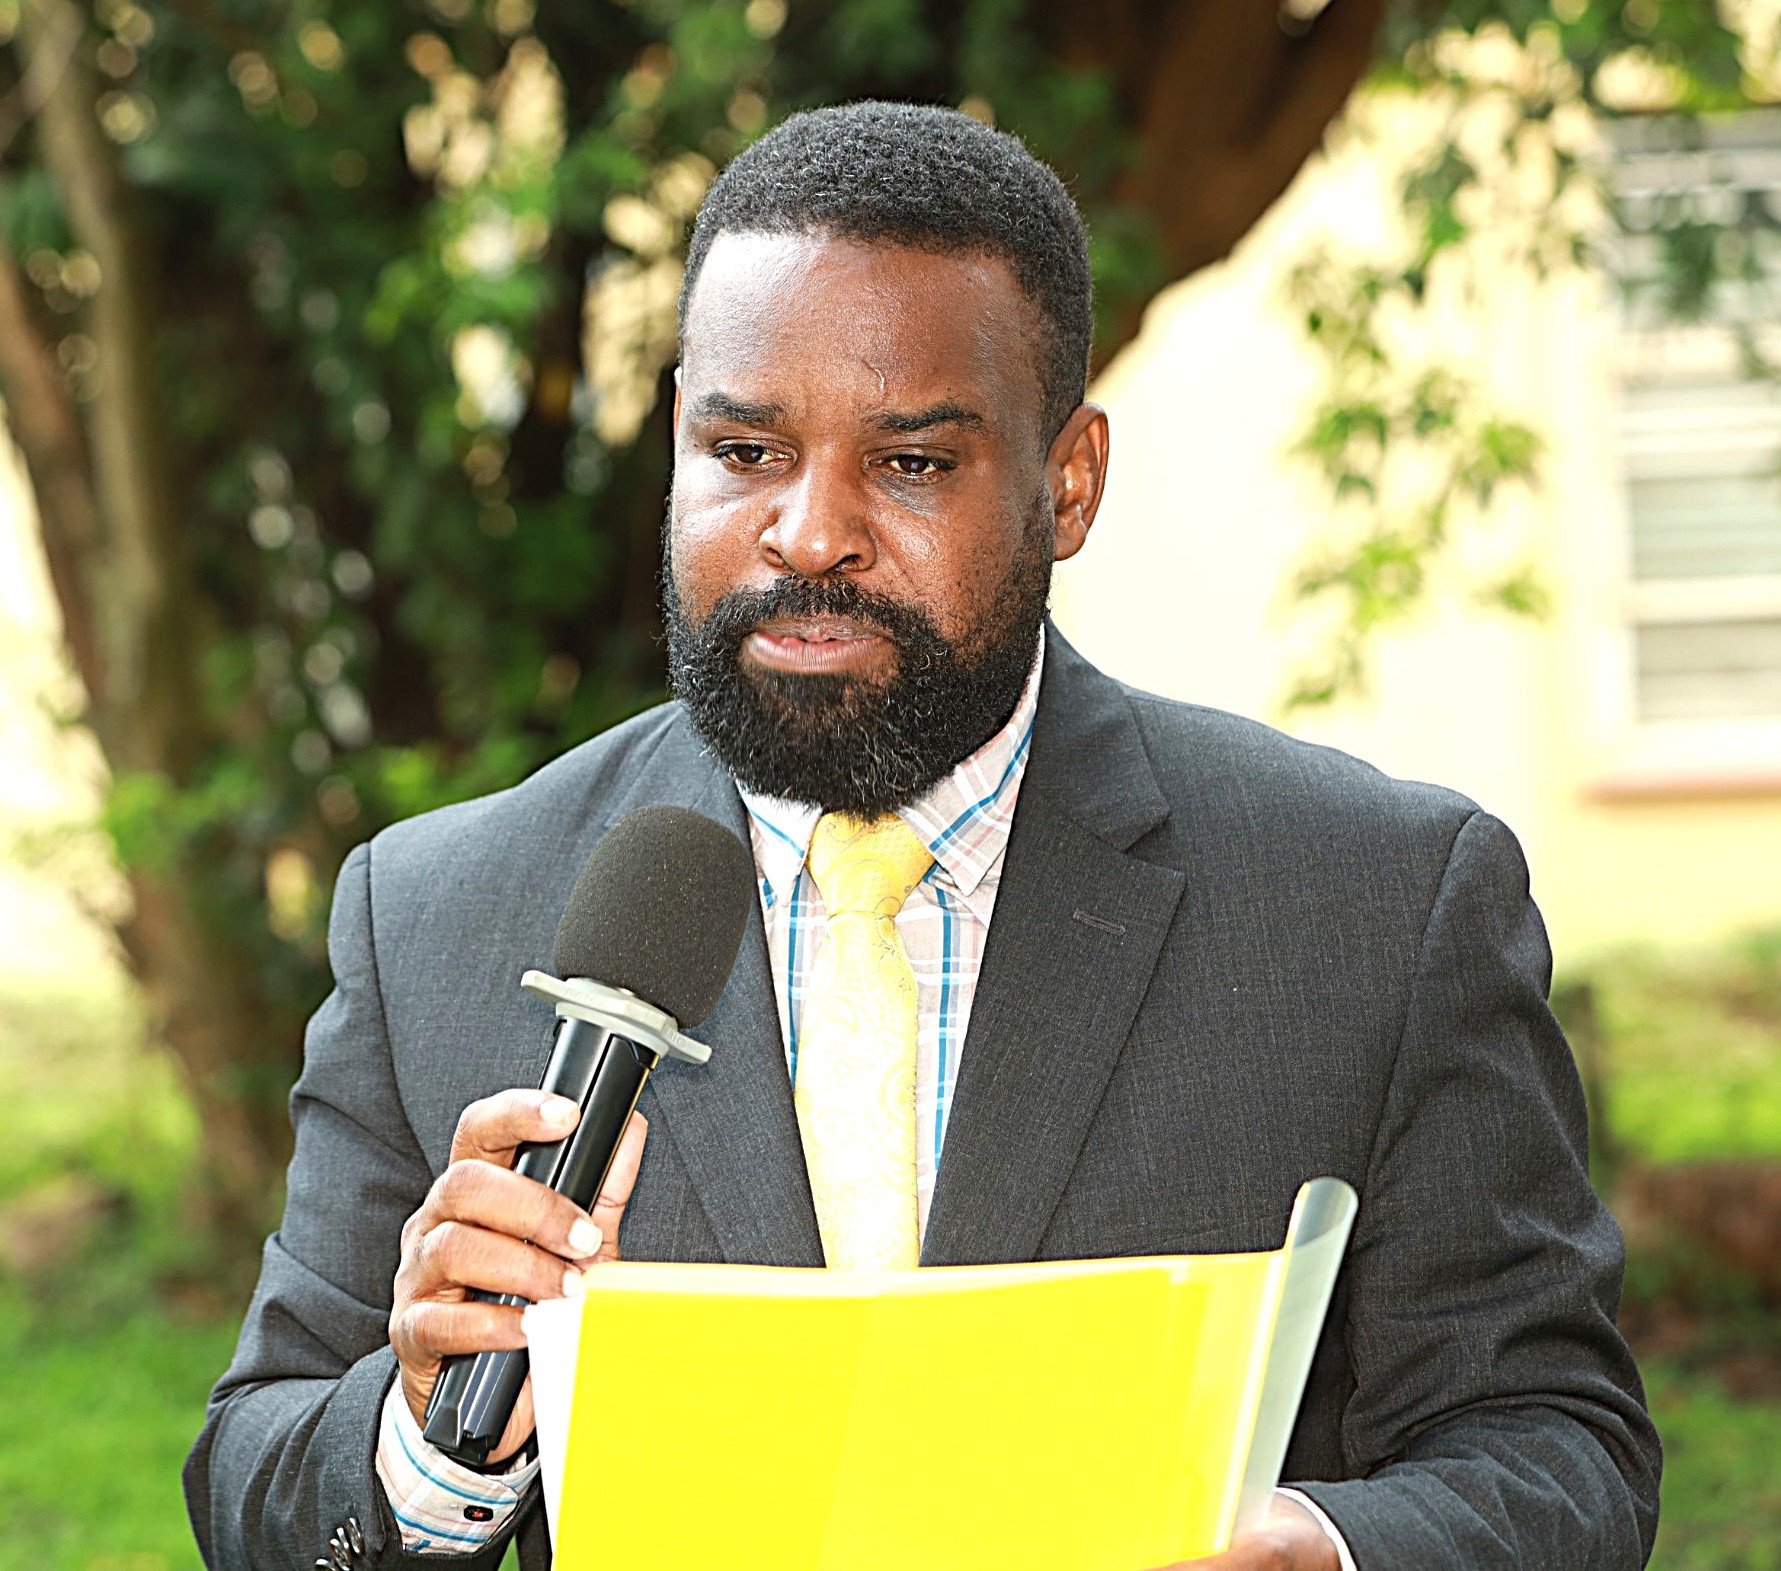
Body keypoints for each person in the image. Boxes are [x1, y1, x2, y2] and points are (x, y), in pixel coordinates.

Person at [185, 102, 1660, 1571]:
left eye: (908, 465)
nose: (808, 532)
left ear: (1066, 483)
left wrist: (1328, 1553)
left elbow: (1552, 1445)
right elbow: (257, 1472)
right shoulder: (439, 909)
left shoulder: (1373, 904)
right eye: (745, 448)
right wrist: (425, 1437)